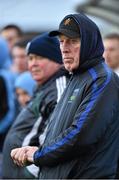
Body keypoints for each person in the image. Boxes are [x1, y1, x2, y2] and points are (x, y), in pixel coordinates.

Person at [11, 13, 119, 179]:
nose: (64, 47)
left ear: (90, 43)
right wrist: (37, 150)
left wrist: (38, 154)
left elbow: (81, 136)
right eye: (61, 41)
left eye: (73, 41)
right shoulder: (76, 77)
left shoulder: (101, 79)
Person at [2, 32, 68, 179]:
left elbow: (56, 141)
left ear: (57, 60)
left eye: (40, 57)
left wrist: (30, 173)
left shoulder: (58, 89)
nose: (33, 64)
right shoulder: (44, 87)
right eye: (30, 58)